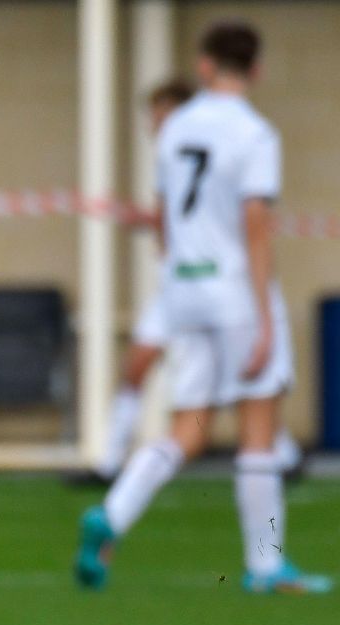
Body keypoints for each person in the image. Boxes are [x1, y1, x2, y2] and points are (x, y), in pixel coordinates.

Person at [75, 21, 329, 595]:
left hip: (184, 292)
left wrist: (177, 279)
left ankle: (111, 515)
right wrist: (264, 313)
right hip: (236, 293)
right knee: (259, 431)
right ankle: (266, 565)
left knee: (186, 428)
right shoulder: (256, 133)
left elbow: (164, 218)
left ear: (206, 65)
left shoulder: (174, 127)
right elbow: (256, 224)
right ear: (257, 70)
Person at [85, 77, 303, 485]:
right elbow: (179, 220)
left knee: (230, 405)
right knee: (218, 408)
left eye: (163, 117)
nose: (157, 126)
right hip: (188, 288)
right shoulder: (197, 149)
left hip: (216, 286)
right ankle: (111, 466)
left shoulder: (241, 140)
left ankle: (111, 515)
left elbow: (242, 223)